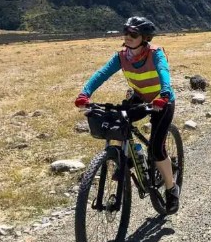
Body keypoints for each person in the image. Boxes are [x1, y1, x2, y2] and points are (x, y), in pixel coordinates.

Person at [74, 16, 180, 214]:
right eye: (126, 33)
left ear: (145, 37)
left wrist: (165, 94)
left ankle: (171, 188)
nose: (128, 37)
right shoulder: (122, 56)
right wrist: (84, 93)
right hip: (140, 97)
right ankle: (131, 156)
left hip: (162, 100)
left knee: (157, 149)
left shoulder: (155, 53)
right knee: (119, 122)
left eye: (134, 34)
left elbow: (163, 71)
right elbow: (102, 73)